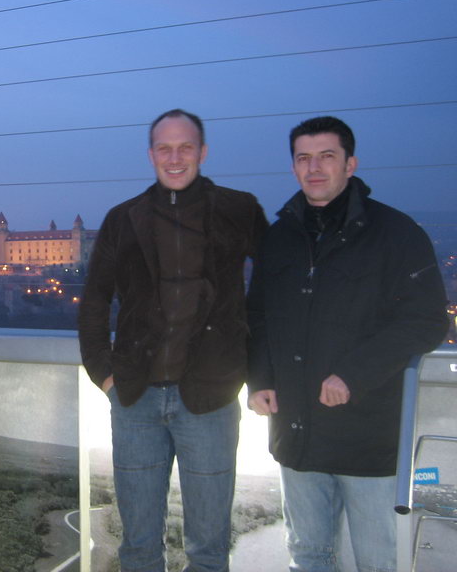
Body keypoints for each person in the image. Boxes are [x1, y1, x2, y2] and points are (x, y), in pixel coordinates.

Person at [247, 116, 448, 572]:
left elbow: (426, 320)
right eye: (304, 158)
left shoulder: (395, 233)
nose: (314, 167)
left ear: (350, 164)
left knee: (377, 561)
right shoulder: (279, 237)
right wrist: (259, 378)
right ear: (293, 167)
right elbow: (257, 315)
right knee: (308, 557)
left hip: (367, 438)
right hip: (296, 433)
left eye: (327, 156)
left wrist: (353, 374)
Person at [78, 108, 267, 572]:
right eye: (165, 148)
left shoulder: (239, 209)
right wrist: (105, 376)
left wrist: (255, 371)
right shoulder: (123, 219)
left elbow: (274, 289)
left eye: (185, 147)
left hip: (211, 397)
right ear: (151, 155)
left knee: (208, 550)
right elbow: (95, 300)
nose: (175, 157)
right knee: (138, 548)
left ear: (203, 152)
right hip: (135, 398)